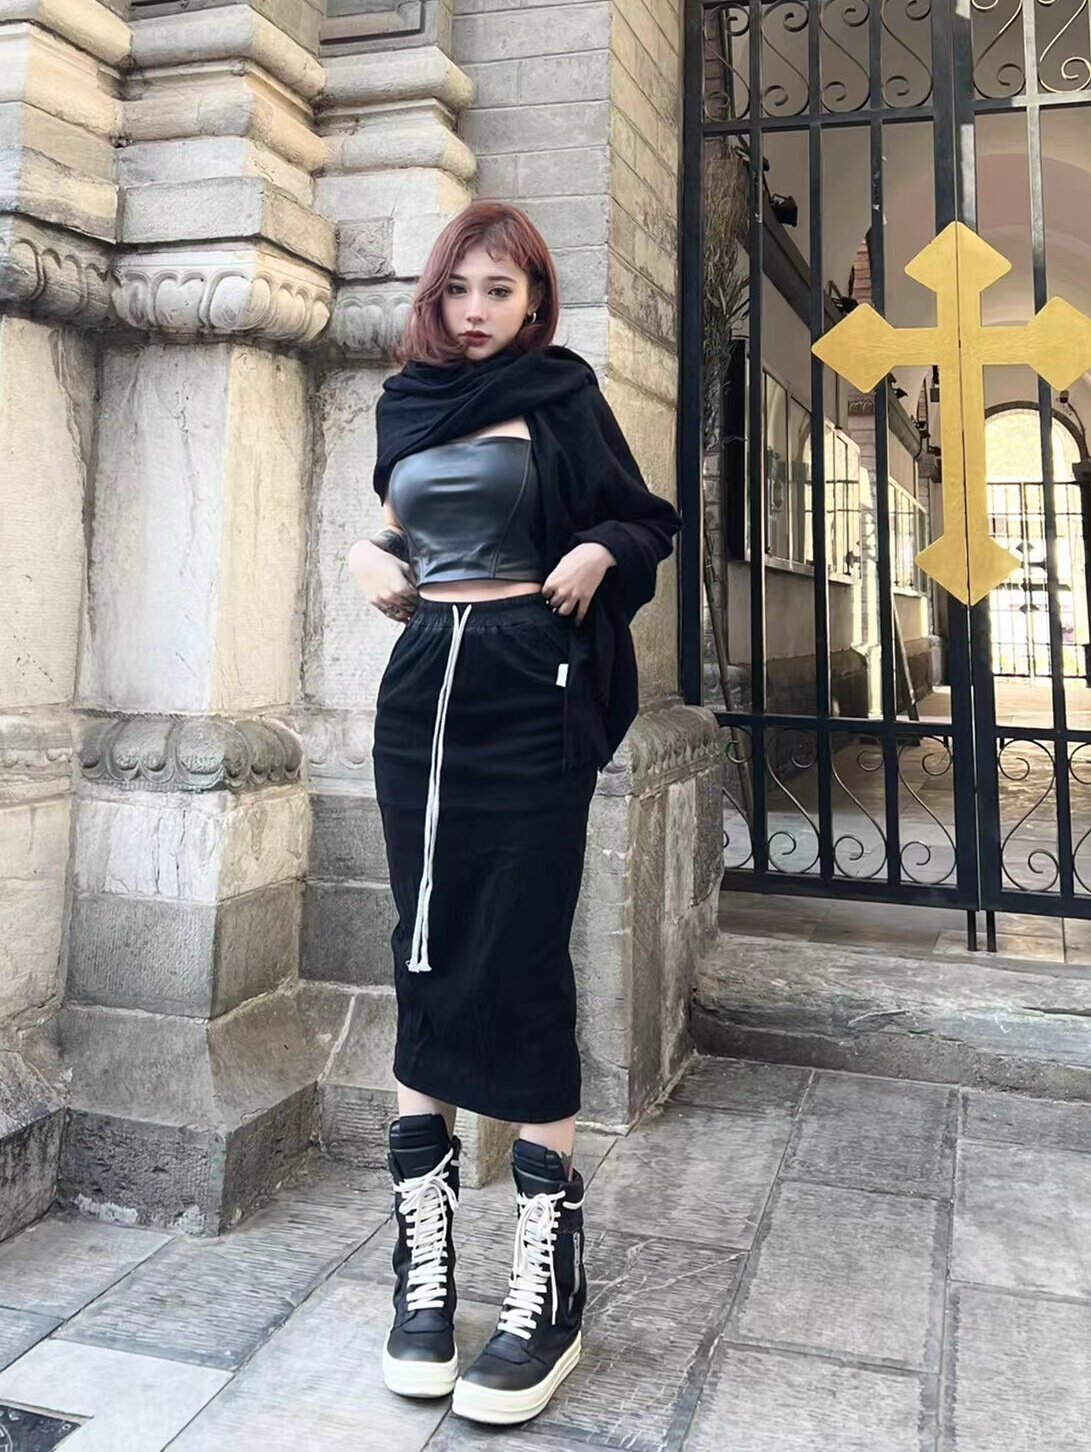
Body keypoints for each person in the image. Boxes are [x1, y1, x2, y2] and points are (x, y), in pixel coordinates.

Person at [348, 199, 681, 1427]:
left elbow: (642, 518)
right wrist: (368, 555)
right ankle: (424, 1271)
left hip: (527, 679)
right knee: (423, 939)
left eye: (500, 288)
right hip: (421, 684)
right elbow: (403, 525)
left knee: (521, 948)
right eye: (458, 289)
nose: (477, 309)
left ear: (534, 297)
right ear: (432, 299)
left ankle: (548, 1287)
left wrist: (600, 550)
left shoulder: (561, 395)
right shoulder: (406, 403)